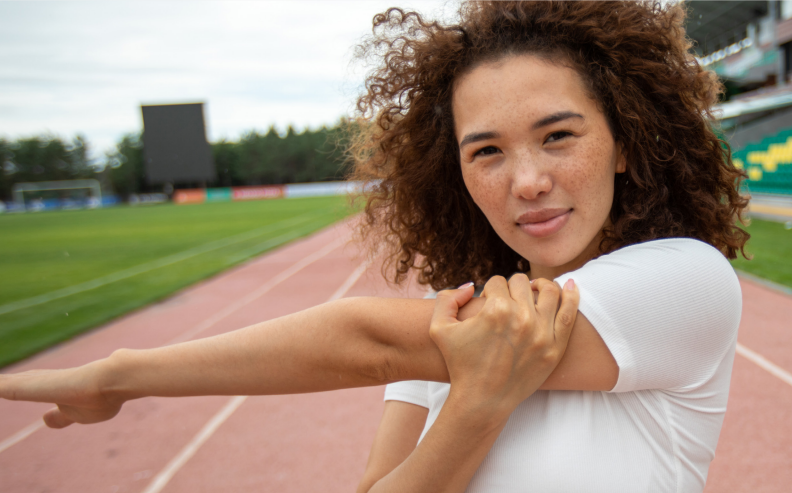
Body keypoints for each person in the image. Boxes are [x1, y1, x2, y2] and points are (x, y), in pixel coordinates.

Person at [0, 2, 749, 492]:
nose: (527, 180)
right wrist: (474, 410)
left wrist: (125, 374)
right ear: (455, 170)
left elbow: (364, 340)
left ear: (624, 143)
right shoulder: (454, 311)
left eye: (559, 135)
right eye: (485, 151)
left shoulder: (688, 280)